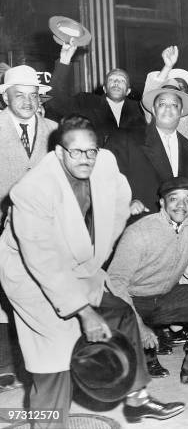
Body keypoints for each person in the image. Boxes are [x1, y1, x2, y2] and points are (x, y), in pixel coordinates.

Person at [0, 115, 184, 425]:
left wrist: (124, 212)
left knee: (121, 314)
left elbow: (117, 196)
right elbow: (43, 262)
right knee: (55, 356)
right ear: (59, 153)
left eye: (91, 151)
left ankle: (137, 399)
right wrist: (84, 312)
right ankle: (47, 421)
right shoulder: (32, 190)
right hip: (29, 275)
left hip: (73, 264)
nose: (86, 159)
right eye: (77, 152)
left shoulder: (105, 163)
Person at [106, 176, 188, 386]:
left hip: (165, 298)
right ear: (162, 203)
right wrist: (138, 324)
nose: (182, 206)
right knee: (123, 377)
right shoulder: (139, 232)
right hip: (130, 302)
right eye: (174, 199)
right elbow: (115, 283)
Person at [0, 64, 57, 392]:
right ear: (5, 97)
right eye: (18, 95)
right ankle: (6, 364)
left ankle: (45, 364)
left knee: (41, 291)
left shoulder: (54, 129)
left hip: (43, 227)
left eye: (32, 95)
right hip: (1, 222)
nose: (26, 101)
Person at [106, 80, 188, 218]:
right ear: (153, 109)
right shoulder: (125, 138)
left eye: (174, 105)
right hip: (135, 225)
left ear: (181, 111)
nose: (168, 109)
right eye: (162, 104)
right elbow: (106, 179)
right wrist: (125, 203)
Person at [46, 40, 145, 146]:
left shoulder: (139, 109)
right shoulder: (87, 102)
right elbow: (57, 101)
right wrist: (64, 60)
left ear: (128, 91)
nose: (116, 82)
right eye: (111, 79)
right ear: (104, 89)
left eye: (122, 80)